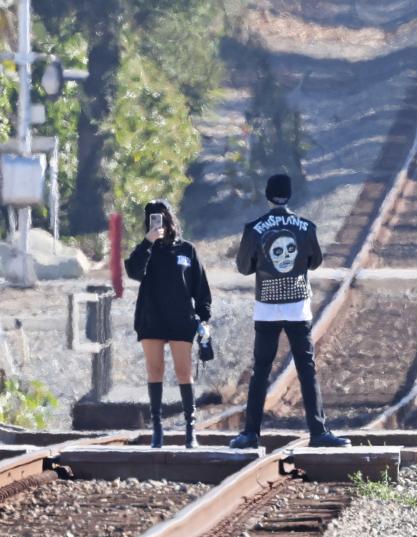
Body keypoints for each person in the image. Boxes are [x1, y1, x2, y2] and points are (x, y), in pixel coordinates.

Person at [229, 174, 351, 449]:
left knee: (260, 370)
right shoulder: (306, 227)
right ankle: (318, 432)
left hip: (266, 309)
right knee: (307, 369)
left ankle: (250, 433)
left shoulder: (254, 227)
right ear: (290, 195)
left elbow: (244, 267)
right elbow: (315, 261)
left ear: (268, 195)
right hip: (298, 307)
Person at [124, 200, 211, 449]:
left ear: (170, 218)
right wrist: (147, 242)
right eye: (152, 217)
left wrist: (204, 319)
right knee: (155, 371)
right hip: (151, 318)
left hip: (181, 320)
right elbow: (133, 271)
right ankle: (157, 431)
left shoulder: (187, 250)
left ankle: (190, 430)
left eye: (161, 216)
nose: (157, 222)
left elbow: (201, 289)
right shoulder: (146, 250)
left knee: (184, 372)